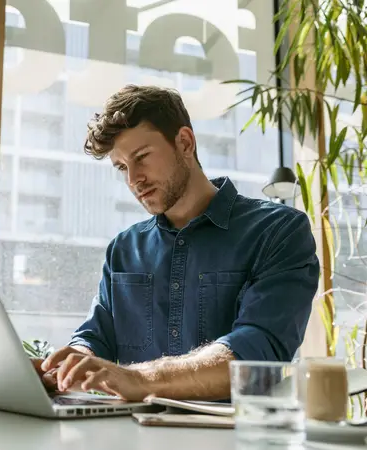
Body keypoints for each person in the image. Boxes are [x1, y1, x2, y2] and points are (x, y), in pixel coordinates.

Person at [35, 85, 320, 402]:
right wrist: (63, 367)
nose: (133, 179)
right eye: (121, 167)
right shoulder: (124, 250)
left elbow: (256, 353)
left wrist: (139, 378)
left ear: (185, 142)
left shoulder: (278, 231)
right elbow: (95, 336)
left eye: (141, 157)